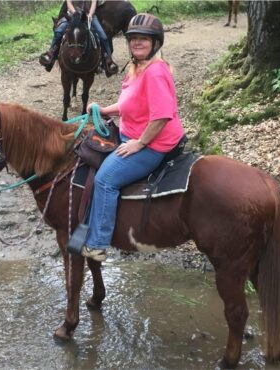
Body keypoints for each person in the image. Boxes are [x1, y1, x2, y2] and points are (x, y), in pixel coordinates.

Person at [82, 13, 185, 261]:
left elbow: (161, 117)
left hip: (154, 143)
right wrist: (106, 110)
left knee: (105, 179)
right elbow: (130, 103)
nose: (137, 43)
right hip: (130, 131)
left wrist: (140, 143)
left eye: (144, 39)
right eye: (133, 39)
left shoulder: (156, 73)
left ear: (155, 43)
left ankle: (97, 243)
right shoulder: (136, 67)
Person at [39, 0, 118, 74]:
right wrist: (75, 13)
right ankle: (51, 54)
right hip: (72, 15)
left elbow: (94, 2)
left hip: (88, 16)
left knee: (103, 36)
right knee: (59, 31)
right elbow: (69, 2)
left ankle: (108, 60)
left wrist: (90, 14)